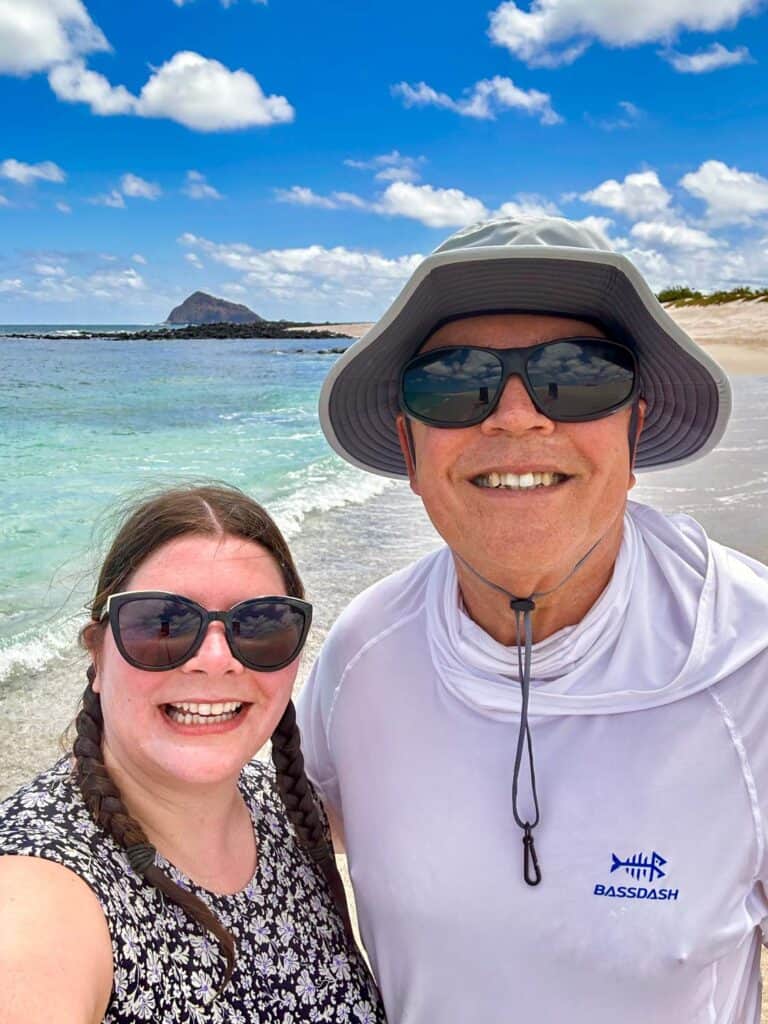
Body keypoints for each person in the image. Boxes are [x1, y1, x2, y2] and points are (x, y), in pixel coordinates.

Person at [297, 217, 768, 1023]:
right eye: (454, 381)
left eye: (576, 376)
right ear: (411, 452)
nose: (516, 419)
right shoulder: (360, 653)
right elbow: (246, 841)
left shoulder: (750, 656)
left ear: (636, 431)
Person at [0, 484, 384, 1024]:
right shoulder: (39, 892)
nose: (214, 659)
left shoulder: (286, 814)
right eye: (161, 625)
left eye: (261, 626)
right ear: (98, 654)